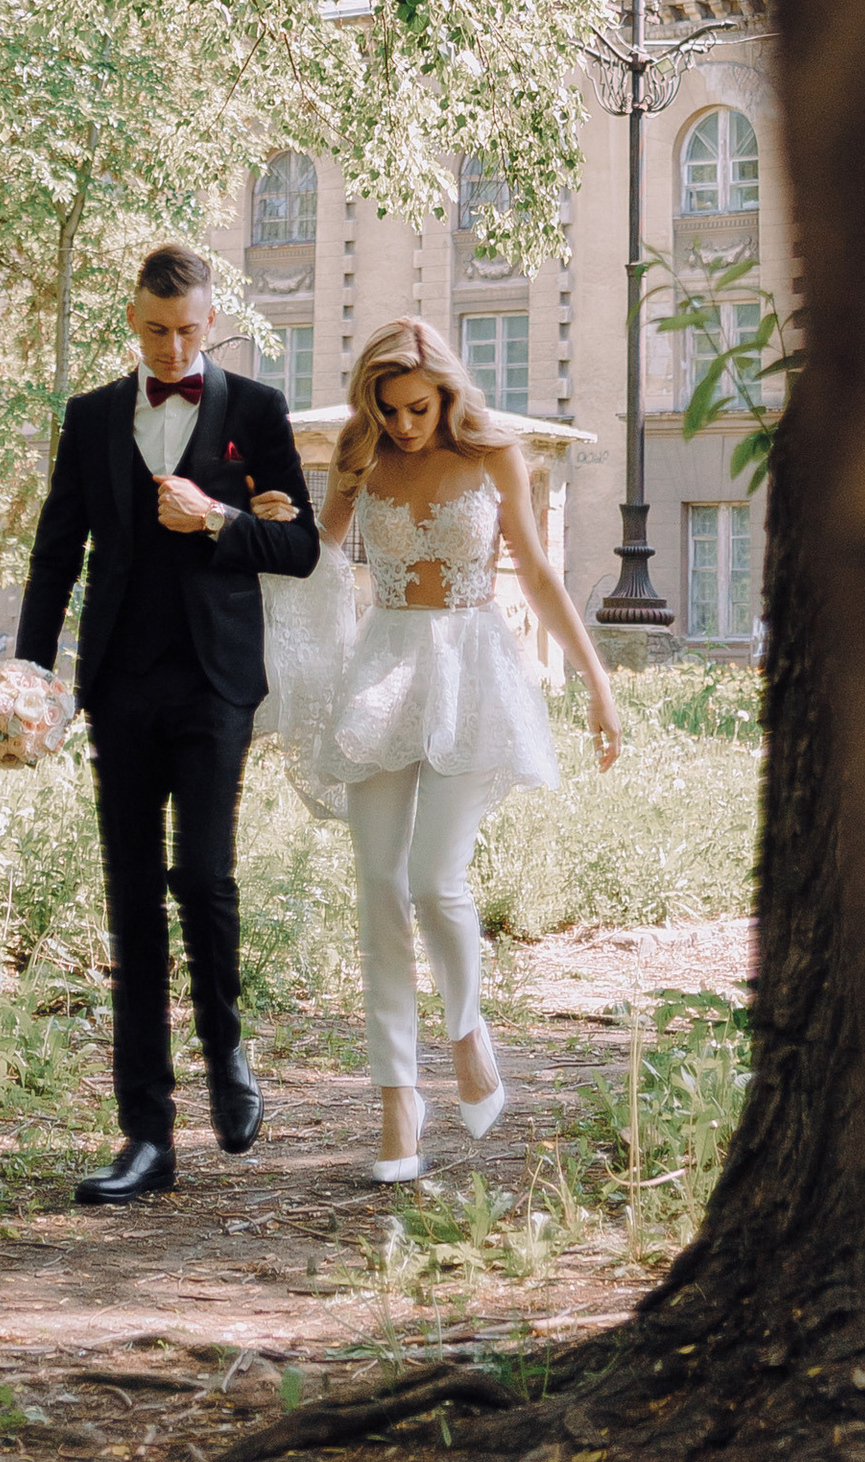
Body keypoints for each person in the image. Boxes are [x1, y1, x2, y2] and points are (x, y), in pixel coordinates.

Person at [256, 317, 622, 1183]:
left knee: (434, 880)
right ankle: (396, 1100)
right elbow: (321, 559)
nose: (405, 426)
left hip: (472, 674)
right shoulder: (362, 458)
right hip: (383, 669)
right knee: (379, 884)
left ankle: (465, 1034)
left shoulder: (497, 458)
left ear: (447, 394)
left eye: (418, 408)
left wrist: (598, 684)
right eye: (388, 411)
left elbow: (535, 573)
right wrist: (272, 522)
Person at [16, 241, 321, 1206]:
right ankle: (147, 1135)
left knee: (202, 873)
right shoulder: (93, 418)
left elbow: (303, 547)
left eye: (188, 330)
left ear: (212, 316)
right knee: (131, 902)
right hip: (119, 686)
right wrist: (31, 679)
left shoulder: (258, 413)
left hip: (217, 682)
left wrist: (219, 521)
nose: (172, 348)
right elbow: (55, 555)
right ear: (133, 320)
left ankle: (226, 1048)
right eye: (155, 331)